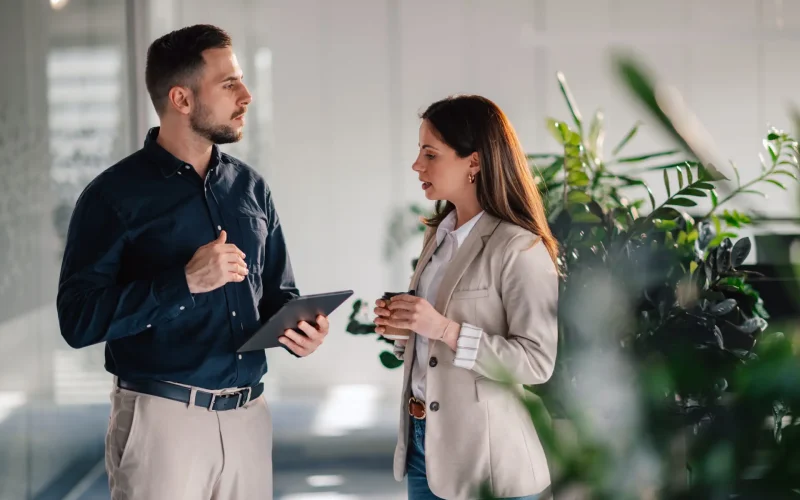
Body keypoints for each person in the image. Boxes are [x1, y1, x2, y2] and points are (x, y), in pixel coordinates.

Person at [56, 24, 328, 500]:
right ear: (181, 99)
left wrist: (297, 329)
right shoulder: (112, 197)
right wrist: (182, 283)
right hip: (163, 424)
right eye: (229, 84)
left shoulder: (250, 188)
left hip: (249, 420)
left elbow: (276, 294)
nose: (246, 95)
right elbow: (78, 320)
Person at [373, 95, 560, 500]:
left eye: (430, 153)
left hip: (488, 463)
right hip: (423, 446)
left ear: (473, 162)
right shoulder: (437, 235)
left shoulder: (520, 248)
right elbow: (430, 343)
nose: (417, 165)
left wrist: (442, 328)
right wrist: (403, 328)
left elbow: (536, 361)